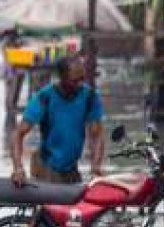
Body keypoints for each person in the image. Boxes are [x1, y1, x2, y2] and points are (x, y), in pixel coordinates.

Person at [10, 56, 105, 185]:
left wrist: (96, 166)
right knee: (52, 202)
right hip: (47, 165)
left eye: (82, 79)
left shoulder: (89, 97)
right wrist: (18, 168)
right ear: (62, 77)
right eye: (74, 81)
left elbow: (97, 134)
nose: (80, 85)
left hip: (71, 166)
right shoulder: (45, 97)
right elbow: (18, 134)